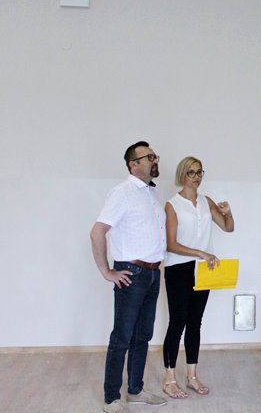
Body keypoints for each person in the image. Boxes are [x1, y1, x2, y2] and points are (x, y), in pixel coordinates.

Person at [90, 141, 168, 413]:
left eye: (155, 156)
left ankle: (135, 390)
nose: (155, 160)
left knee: (142, 336)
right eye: (149, 157)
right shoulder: (122, 193)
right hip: (131, 274)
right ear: (133, 164)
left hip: (153, 273)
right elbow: (97, 232)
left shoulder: (150, 194)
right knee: (122, 337)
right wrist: (106, 271)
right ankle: (112, 397)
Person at [161, 156, 234, 399]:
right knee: (177, 323)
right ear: (182, 175)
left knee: (195, 323)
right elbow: (171, 244)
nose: (197, 177)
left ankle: (192, 376)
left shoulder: (206, 201)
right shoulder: (172, 205)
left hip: (203, 270)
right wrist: (200, 252)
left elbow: (228, 227)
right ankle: (170, 379)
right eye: (192, 172)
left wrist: (228, 213)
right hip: (178, 268)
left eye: (200, 172)